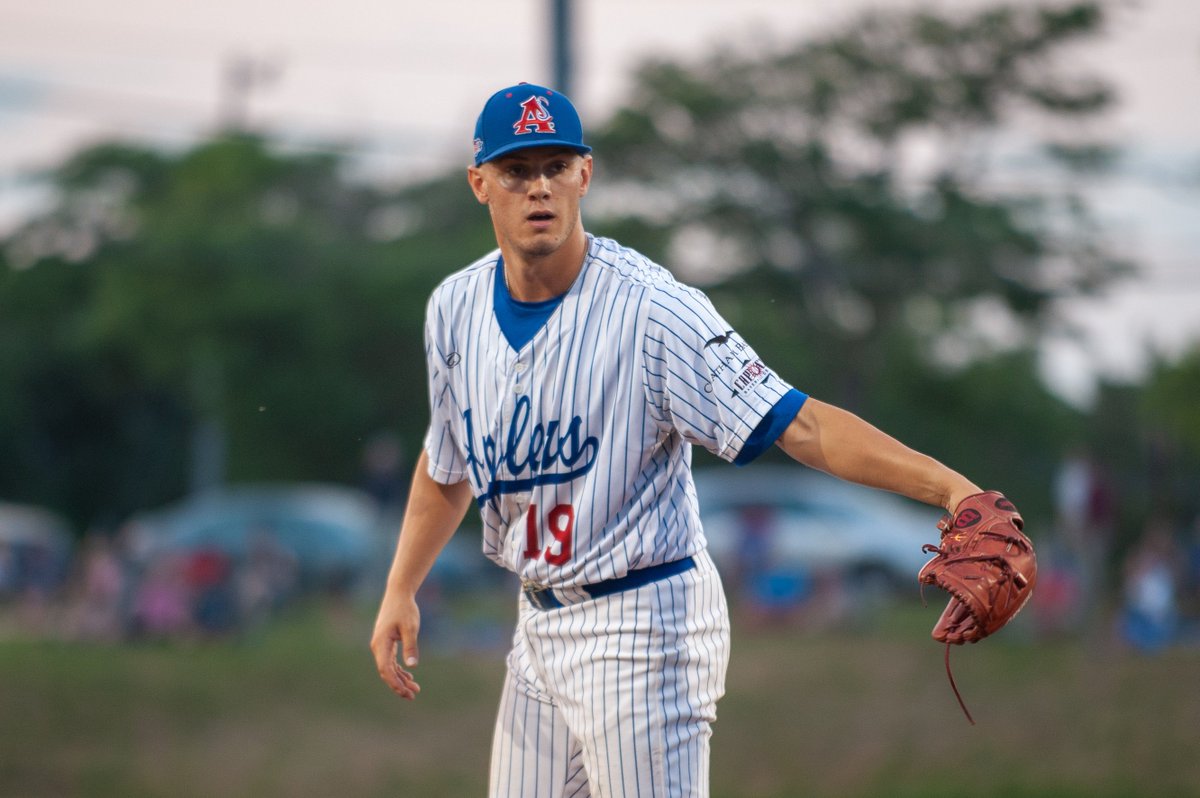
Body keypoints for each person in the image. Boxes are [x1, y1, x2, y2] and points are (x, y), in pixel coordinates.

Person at [370, 82, 989, 797]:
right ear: (481, 184)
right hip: (538, 627)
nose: (538, 187)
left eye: (555, 166)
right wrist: (400, 589)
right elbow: (447, 467)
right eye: (517, 170)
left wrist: (952, 488)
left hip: (644, 625)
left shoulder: (652, 311)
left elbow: (801, 423)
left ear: (585, 175)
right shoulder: (455, 309)